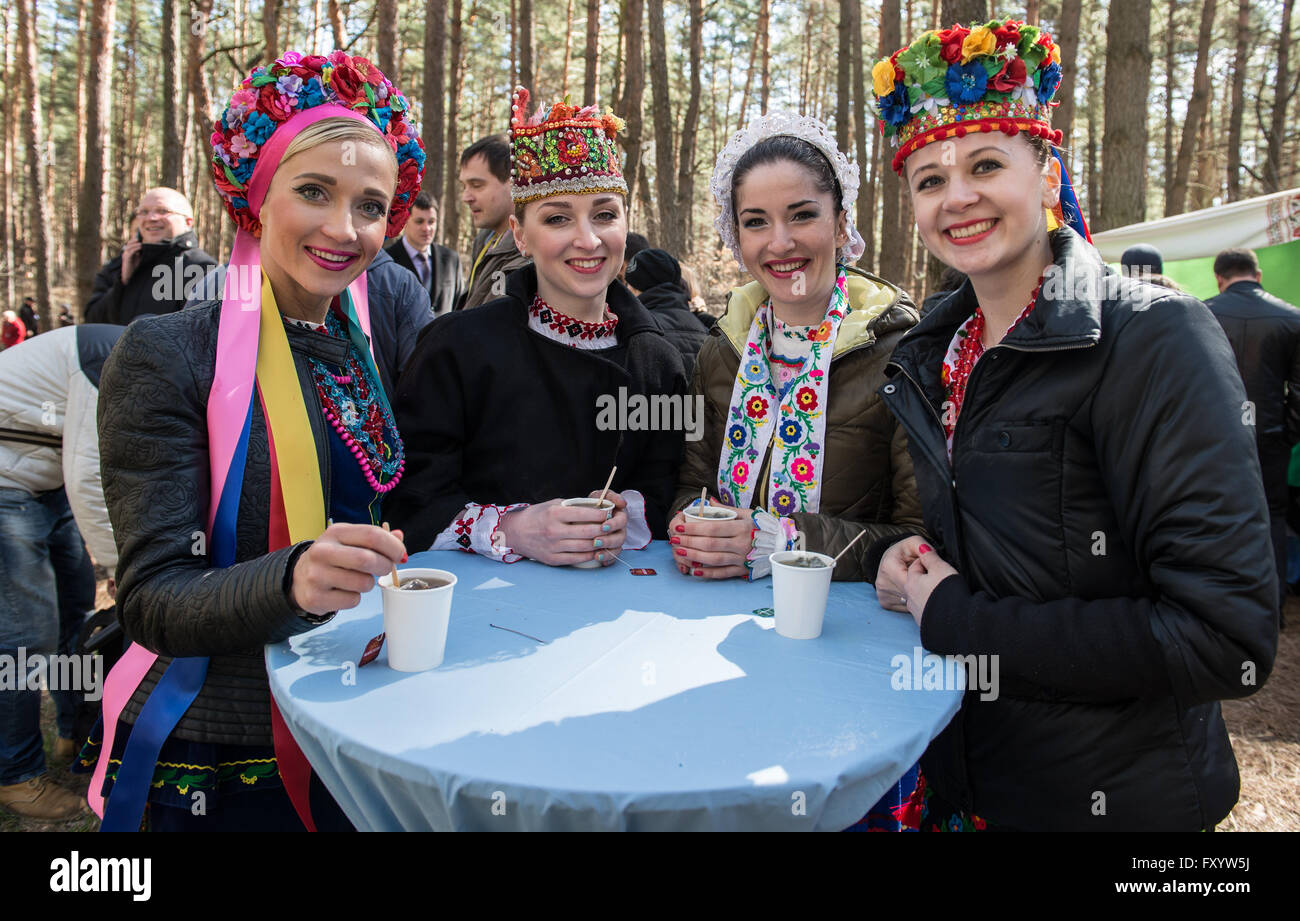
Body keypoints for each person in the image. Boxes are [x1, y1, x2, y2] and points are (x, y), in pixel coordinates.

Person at [867, 17, 1276, 831]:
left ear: (1048, 175)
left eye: (986, 165)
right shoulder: (933, 353)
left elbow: (1222, 636)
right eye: (928, 179)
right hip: (966, 782)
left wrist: (954, 617)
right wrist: (907, 561)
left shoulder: (1155, 338)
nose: (958, 197)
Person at [82, 51, 422, 832]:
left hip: (353, 720)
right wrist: (292, 578)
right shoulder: (167, 353)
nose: (345, 229)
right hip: (220, 748)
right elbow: (151, 597)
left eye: (370, 205)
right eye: (313, 192)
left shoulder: (375, 337)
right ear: (253, 200)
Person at [388, 87, 686, 564]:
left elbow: (667, 488)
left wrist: (624, 515)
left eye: (605, 215)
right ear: (521, 236)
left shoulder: (657, 363)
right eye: (558, 219)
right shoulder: (457, 349)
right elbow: (407, 500)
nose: (587, 240)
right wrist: (514, 528)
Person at [669, 114, 923, 586]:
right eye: (756, 222)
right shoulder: (722, 349)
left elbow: (918, 537)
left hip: (840, 629)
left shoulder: (903, 355)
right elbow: (691, 488)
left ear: (842, 223)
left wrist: (782, 542)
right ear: (737, 237)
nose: (780, 242)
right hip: (711, 621)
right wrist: (693, 528)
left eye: (802, 215)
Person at [0, 323, 122, 820]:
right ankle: (15, 776)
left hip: (45, 485)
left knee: (77, 615)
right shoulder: (107, 357)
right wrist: (119, 563)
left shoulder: (132, 352)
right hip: (9, 484)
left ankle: (75, 733)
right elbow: (89, 472)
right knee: (27, 633)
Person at [185, 244, 435, 398]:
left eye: (370, 206)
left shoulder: (399, 286)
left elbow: (421, 393)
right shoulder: (221, 285)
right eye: (312, 193)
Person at [1205, 247, 1300, 613]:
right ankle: (1271, 608)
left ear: (1219, 277)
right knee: (1272, 518)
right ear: (1257, 275)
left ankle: (1221, 607)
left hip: (1214, 439)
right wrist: (1285, 434)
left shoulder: (1200, 314)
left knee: (1214, 514)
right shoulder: (1291, 319)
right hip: (1271, 437)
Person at [84, 187, 217, 325]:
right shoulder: (120, 265)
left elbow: (205, 331)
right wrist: (122, 282)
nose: (151, 218)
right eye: (144, 212)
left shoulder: (201, 267)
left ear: (188, 222)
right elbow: (93, 324)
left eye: (163, 211)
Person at [457, 134, 530, 310]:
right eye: (464, 186)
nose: (466, 197)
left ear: (514, 184)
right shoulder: (484, 240)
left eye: (476, 185)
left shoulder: (529, 255)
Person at [625, 248, 708, 377]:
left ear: (636, 288)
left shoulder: (637, 329)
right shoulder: (703, 329)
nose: (627, 289)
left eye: (628, 284)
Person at [385, 192, 464, 315]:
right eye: (419, 221)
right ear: (405, 221)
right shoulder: (388, 261)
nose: (426, 228)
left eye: (431, 222)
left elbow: (459, 306)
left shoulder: (451, 259)